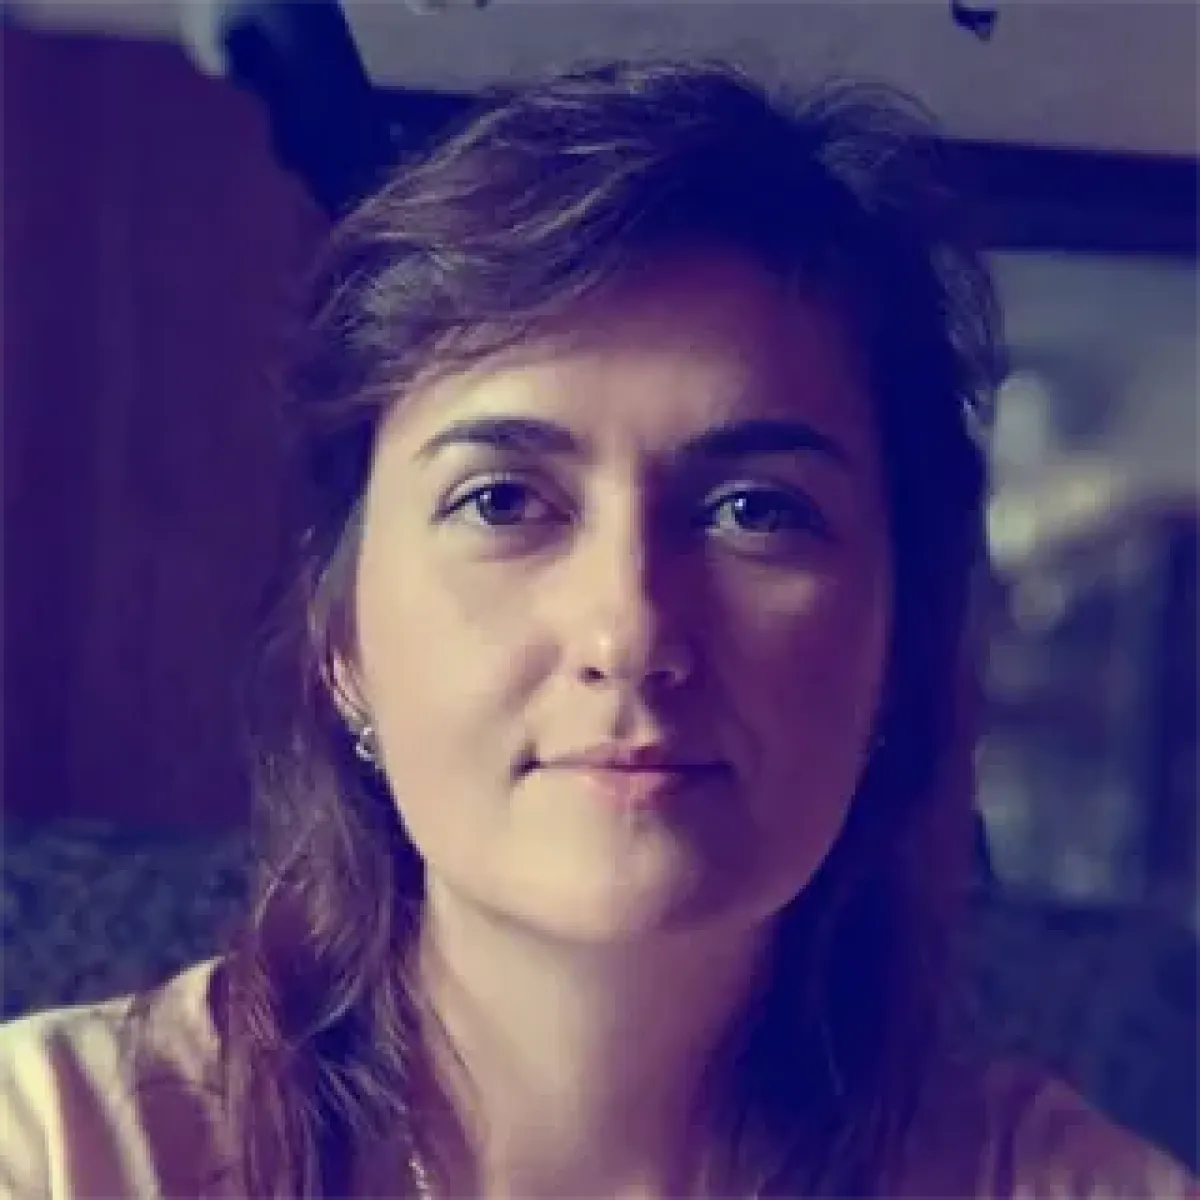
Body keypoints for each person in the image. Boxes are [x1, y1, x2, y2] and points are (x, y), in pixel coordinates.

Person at [0, 60, 1194, 1200]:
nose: (630, 631)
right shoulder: (62, 1151)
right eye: (502, 502)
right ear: (341, 640)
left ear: (898, 647)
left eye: (755, 511)